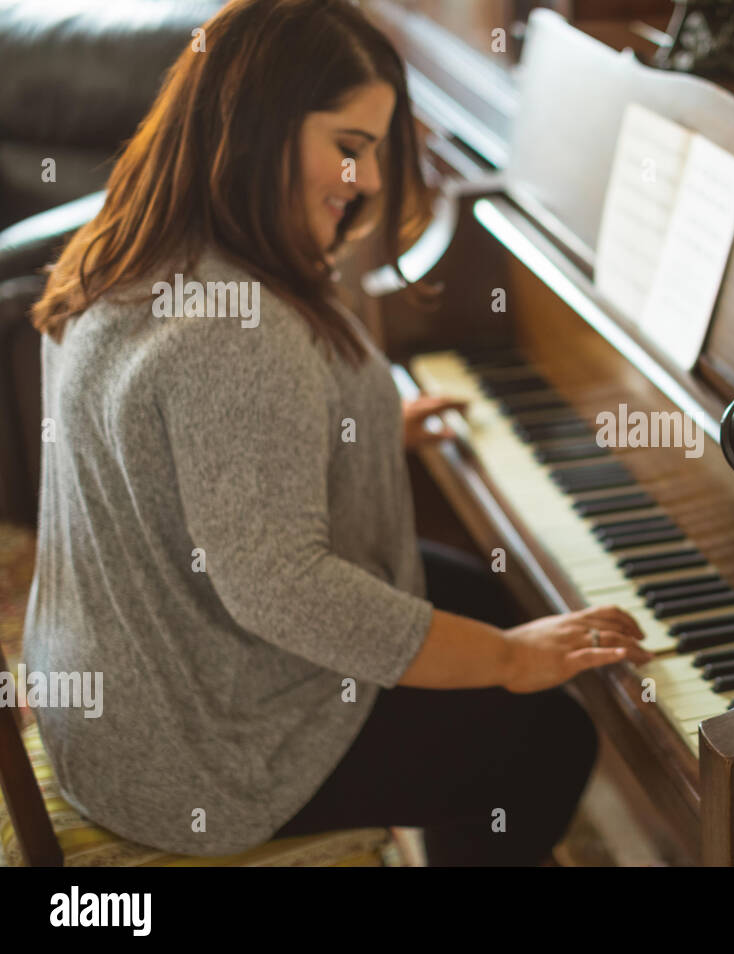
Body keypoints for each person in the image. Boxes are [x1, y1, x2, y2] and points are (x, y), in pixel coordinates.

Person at [23, 0, 648, 866]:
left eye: (376, 151)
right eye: (349, 147)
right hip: (196, 752)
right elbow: (283, 589)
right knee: (545, 743)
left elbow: (179, 444)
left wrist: (356, 427)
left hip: (119, 686)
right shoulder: (238, 331)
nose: (373, 182)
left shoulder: (134, 240)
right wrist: (506, 662)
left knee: (476, 590)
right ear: (258, 127)